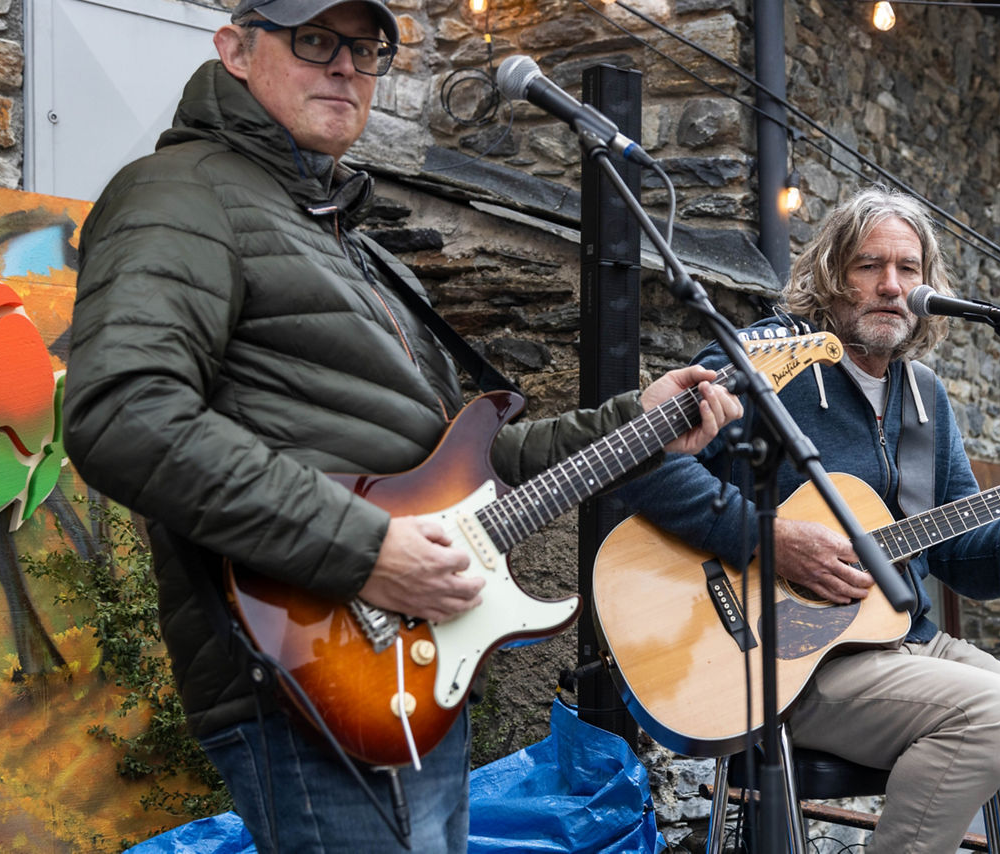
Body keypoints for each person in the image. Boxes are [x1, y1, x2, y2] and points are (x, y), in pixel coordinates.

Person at [60, 1, 742, 851]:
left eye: (367, 49)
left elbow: (472, 464)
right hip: (309, 670)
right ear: (234, 49)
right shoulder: (180, 193)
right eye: (314, 41)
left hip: (411, 674)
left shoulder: (344, 237)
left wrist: (634, 422)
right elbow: (123, 414)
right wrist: (365, 551)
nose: (346, 66)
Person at [614, 186, 1000, 853]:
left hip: (912, 648)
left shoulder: (927, 399)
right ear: (832, 277)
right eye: (869, 266)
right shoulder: (768, 362)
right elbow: (640, 463)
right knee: (991, 714)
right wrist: (765, 538)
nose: (892, 286)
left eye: (909, 270)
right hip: (787, 658)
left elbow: (969, 563)